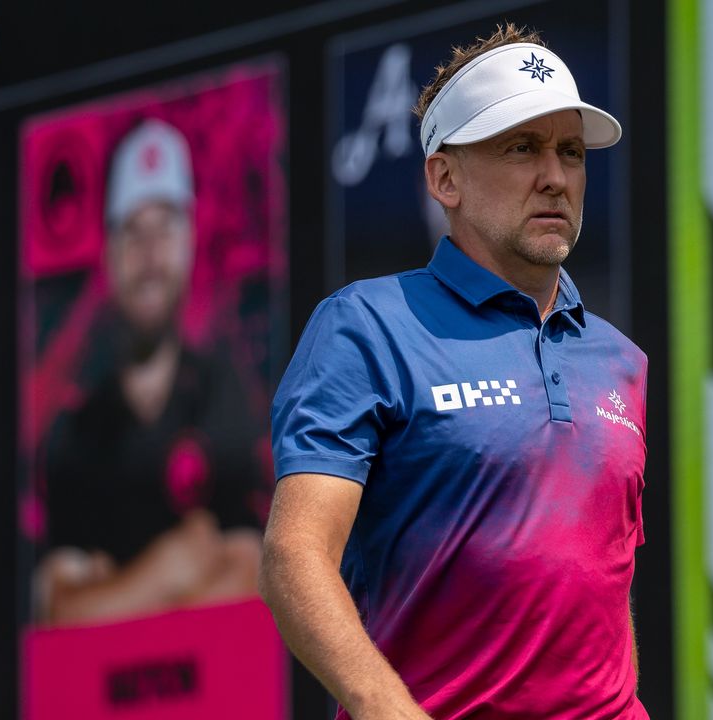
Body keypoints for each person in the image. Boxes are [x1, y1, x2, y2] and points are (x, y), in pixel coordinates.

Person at [261, 24, 648, 720]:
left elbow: (603, 586)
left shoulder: (622, 362)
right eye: (521, 147)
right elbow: (295, 556)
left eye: (570, 151)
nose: (556, 176)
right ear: (444, 177)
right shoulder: (365, 326)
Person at [38, 119, 267, 625]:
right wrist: (170, 566)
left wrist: (115, 590)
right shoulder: (76, 432)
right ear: (108, 254)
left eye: (165, 227)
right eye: (132, 230)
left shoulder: (224, 392)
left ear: (189, 242)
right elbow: (60, 611)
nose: (150, 253)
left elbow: (251, 577)